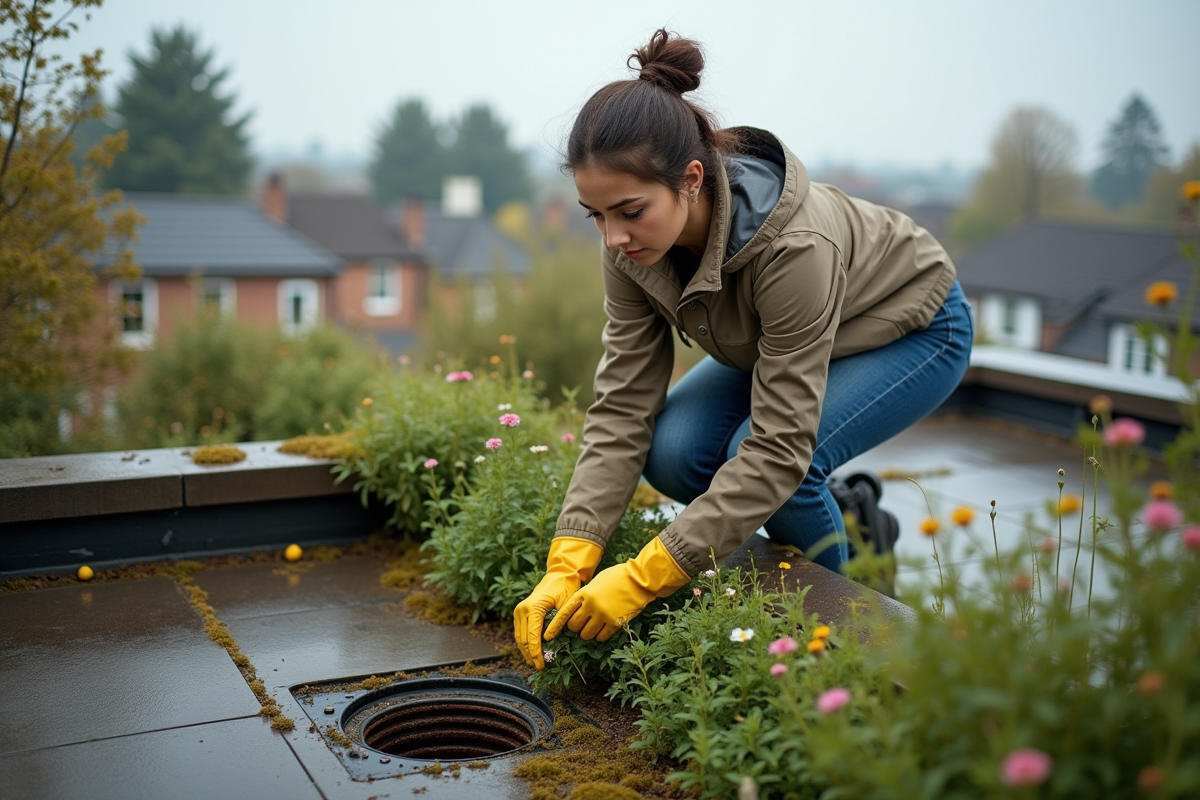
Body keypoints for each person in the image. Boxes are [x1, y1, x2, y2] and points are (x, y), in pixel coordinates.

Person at [514, 29, 972, 669]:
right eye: (595, 214)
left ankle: (833, 648)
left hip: (915, 323)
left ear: (691, 179)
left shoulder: (795, 249)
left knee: (778, 467)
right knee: (673, 452)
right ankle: (844, 519)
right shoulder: (633, 249)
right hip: (786, 343)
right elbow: (622, 407)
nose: (613, 236)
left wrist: (651, 572)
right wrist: (571, 556)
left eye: (629, 210)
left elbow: (779, 448)